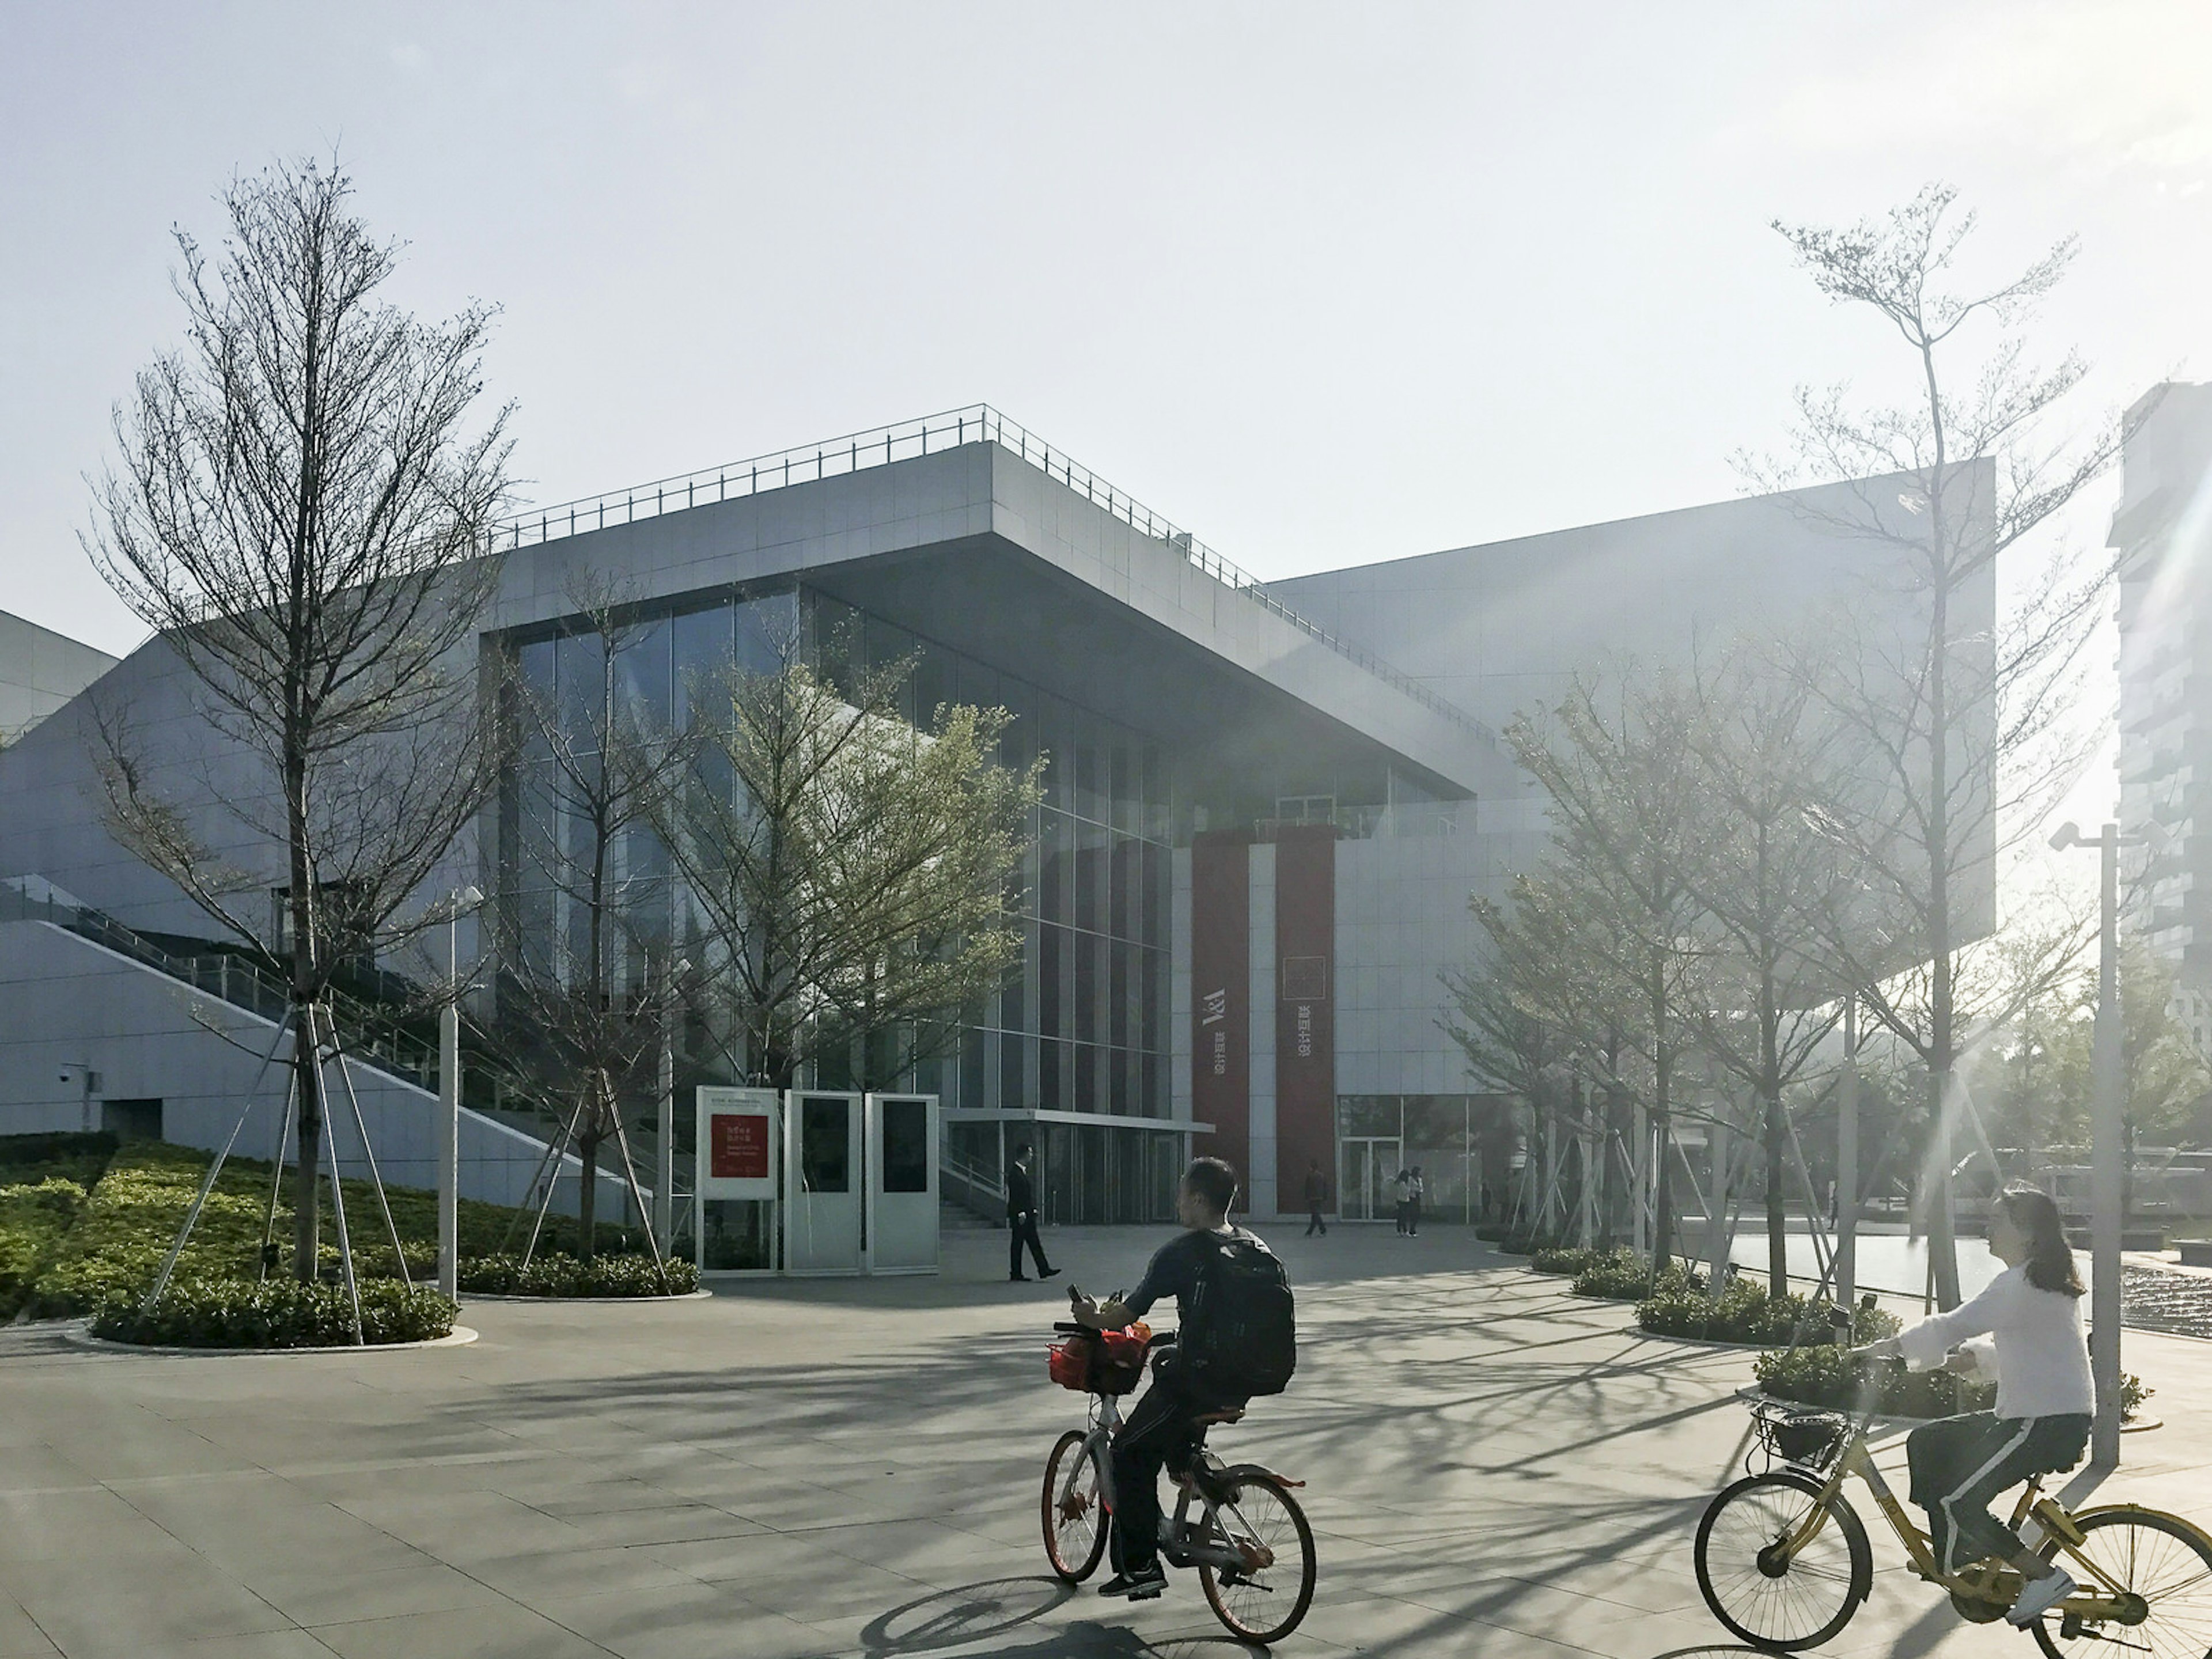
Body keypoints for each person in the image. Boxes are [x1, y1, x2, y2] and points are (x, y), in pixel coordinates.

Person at [1850, 1185, 2093, 1627]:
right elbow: (2031, 1345)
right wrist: (1974, 1359)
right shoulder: (2041, 1280)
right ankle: (1957, 1553)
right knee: (1929, 1440)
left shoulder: (2021, 1283)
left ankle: (2044, 1576)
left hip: (2045, 1422)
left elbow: (1955, 1323)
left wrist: (1891, 1345)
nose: (1988, 1228)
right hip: (2039, 1415)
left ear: (2026, 1233)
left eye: (1997, 1221)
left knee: (1957, 1500)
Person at [1070, 1157, 1275, 1601]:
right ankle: (1195, 1470)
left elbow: (1127, 1312)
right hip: (1244, 1381)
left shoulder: (1182, 1251)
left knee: (1127, 1453)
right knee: (1168, 1380)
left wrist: (1091, 1316)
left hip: (1196, 1382)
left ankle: (1141, 1566)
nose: (1178, 1203)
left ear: (1199, 1199)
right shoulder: (1254, 1246)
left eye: (1183, 1195)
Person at [1006, 1143, 1058, 1283]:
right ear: (1023, 1155)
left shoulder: (1021, 1172)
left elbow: (1025, 1195)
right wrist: (1021, 1212)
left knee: (1034, 1243)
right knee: (1018, 1244)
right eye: (1030, 1153)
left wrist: (1032, 1209)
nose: (1032, 1155)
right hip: (1021, 1216)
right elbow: (1016, 1196)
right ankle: (1016, 1272)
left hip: (1027, 1214)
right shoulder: (1015, 1173)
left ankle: (1044, 1269)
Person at [1302, 1158, 1329, 1237]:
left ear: (1311, 1167)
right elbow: (1325, 1187)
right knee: (1315, 1215)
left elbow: (1307, 1187)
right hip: (1320, 1197)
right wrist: (1325, 1196)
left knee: (1315, 1214)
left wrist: (1306, 1197)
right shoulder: (1322, 1176)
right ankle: (1310, 1232)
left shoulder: (1310, 1176)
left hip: (1312, 1198)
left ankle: (1322, 1230)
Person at [1393, 1166, 1413, 1234]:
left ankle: (1401, 1230)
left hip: (1401, 1200)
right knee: (1403, 1217)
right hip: (1403, 1201)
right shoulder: (1402, 1184)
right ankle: (1403, 1230)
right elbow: (1406, 1192)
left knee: (1401, 1216)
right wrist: (1410, 1187)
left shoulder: (1399, 1183)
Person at [1407, 1166, 1425, 1236]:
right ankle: (1412, 1230)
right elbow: (1409, 1188)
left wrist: (1420, 1191)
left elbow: (1421, 1187)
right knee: (1413, 1213)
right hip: (1412, 1197)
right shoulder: (1410, 1179)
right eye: (1419, 1171)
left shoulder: (1420, 1179)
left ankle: (1413, 1228)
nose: (1420, 1173)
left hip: (1418, 1197)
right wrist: (1416, 1190)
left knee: (1417, 1213)